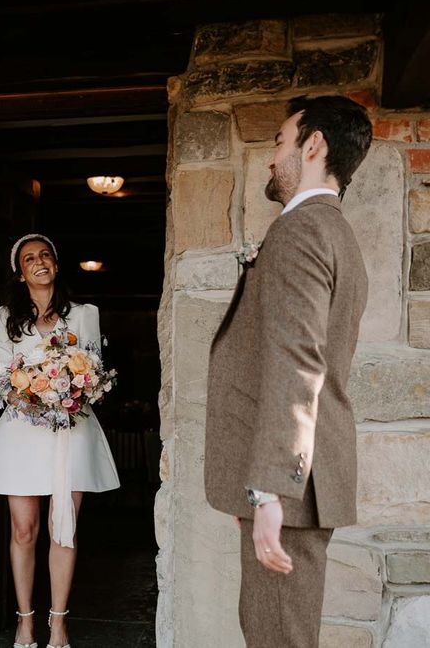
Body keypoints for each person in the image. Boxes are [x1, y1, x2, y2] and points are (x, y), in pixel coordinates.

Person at [204, 95, 372, 647]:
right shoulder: (336, 233)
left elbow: (299, 363)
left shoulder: (300, 231)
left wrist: (268, 491)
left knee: (277, 636)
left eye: (280, 142)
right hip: (302, 479)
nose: (272, 158)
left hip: (291, 485)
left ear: (314, 144)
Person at [0, 233, 120, 648]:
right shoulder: (6, 317)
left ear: (55, 264)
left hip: (71, 431)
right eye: (29, 259)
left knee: (63, 529)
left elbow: (93, 369)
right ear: (20, 273)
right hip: (23, 432)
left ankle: (58, 624)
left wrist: (72, 386)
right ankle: (24, 620)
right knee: (24, 529)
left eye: (45, 256)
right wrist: (33, 388)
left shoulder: (85, 314)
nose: (39, 262)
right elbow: (1, 375)